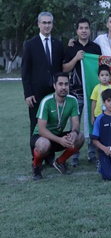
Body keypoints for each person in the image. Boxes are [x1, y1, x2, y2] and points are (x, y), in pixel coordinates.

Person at [22, 11, 65, 153]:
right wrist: (28, 93)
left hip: (54, 93)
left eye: (49, 23)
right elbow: (25, 71)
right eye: (44, 22)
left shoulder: (58, 45)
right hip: (36, 94)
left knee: (52, 124)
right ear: (39, 24)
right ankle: (36, 159)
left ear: (52, 25)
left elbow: (61, 68)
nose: (47, 25)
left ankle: (49, 155)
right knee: (36, 125)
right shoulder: (30, 44)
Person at [30, 72, 84, 180]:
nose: (63, 87)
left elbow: (76, 123)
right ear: (55, 85)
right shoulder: (46, 101)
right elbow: (41, 129)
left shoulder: (72, 100)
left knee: (80, 137)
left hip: (58, 136)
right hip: (41, 137)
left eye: (66, 84)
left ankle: (60, 162)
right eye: (60, 84)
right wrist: (60, 140)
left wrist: (74, 132)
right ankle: (36, 165)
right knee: (44, 144)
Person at [62, 17, 101, 166]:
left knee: (93, 121)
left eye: (86, 28)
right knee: (75, 123)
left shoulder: (95, 48)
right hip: (76, 92)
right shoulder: (72, 47)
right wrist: (76, 58)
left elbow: (100, 67)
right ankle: (74, 155)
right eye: (81, 28)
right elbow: (65, 68)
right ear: (77, 30)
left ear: (90, 30)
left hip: (93, 91)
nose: (84, 30)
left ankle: (92, 153)